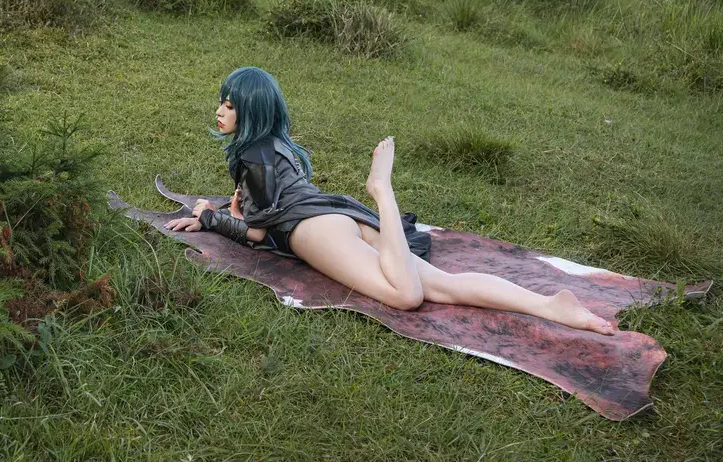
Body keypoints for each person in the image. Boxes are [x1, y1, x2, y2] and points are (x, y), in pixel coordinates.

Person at [164, 66, 617, 336]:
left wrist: (210, 217)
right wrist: (235, 209)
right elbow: (273, 199)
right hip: (337, 212)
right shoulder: (276, 144)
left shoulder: (252, 155)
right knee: (442, 286)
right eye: (222, 102)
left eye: (230, 105)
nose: (219, 111)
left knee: (406, 295)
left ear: (252, 112)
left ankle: (383, 189)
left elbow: (258, 235)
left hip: (310, 230)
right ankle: (550, 306)